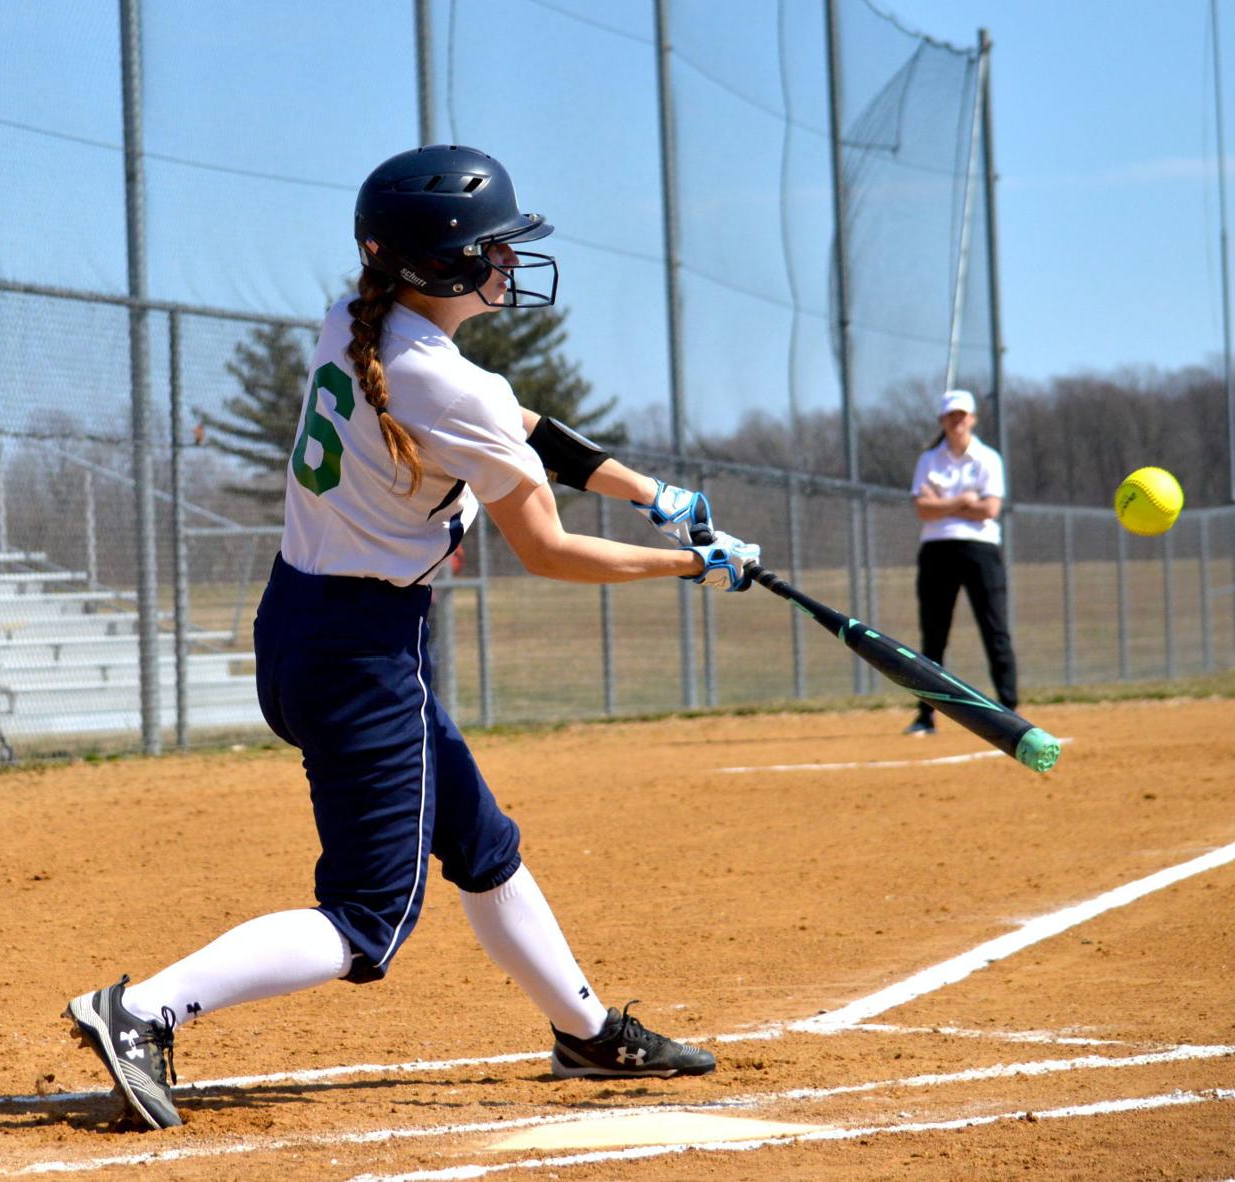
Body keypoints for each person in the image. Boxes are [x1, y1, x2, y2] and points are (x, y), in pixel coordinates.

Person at [65, 144, 760, 1132]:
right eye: (493, 249)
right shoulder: (446, 387)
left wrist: (655, 497)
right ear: (442, 266)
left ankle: (585, 1030)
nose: (508, 265)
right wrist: (695, 564)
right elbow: (550, 550)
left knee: (478, 840)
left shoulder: (359, 327)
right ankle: (140, 1012)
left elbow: (519, 424)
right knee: (365, 921)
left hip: (303, 624)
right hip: (361, 654)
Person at [904, 389, 1017, 735]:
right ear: (942, 420)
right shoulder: (929, 459)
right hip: (937, 550)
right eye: (951, 415)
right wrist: (964, 500)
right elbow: (922, 509)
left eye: (963, 414)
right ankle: (926, 715)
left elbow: (990, 509)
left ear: (973, 419)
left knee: (994, 629)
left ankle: (1009, 710)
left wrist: (944, 503)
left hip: (980, 550)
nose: (957, 421)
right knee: (933, 636)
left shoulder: (988, 458)